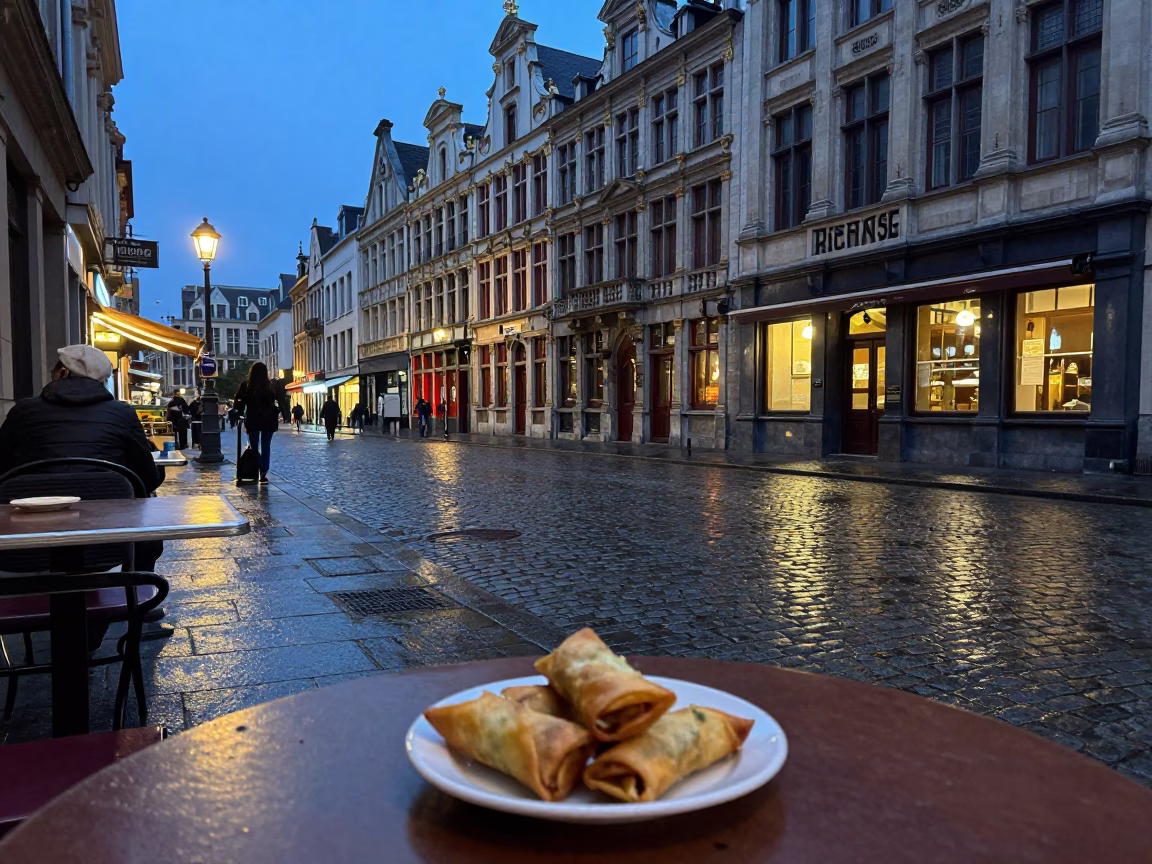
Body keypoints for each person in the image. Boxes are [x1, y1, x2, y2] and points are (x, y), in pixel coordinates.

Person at [0, 345, 164, 569]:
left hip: (27, 543)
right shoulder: (121, 413)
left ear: (61, 373)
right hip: (107, 540)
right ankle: (137, 588)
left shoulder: (22, 412)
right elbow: (146, 478)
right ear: (102, 380)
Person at [233, 363, 280, 484]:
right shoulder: (270, 385)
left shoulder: (247, 385)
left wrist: (240, 411)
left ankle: (253, 468)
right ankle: (263, 472)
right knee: (266, 446)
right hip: (269, 419)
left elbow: (238, 401)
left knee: (254, 446)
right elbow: (277, 399)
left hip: (253, 418)